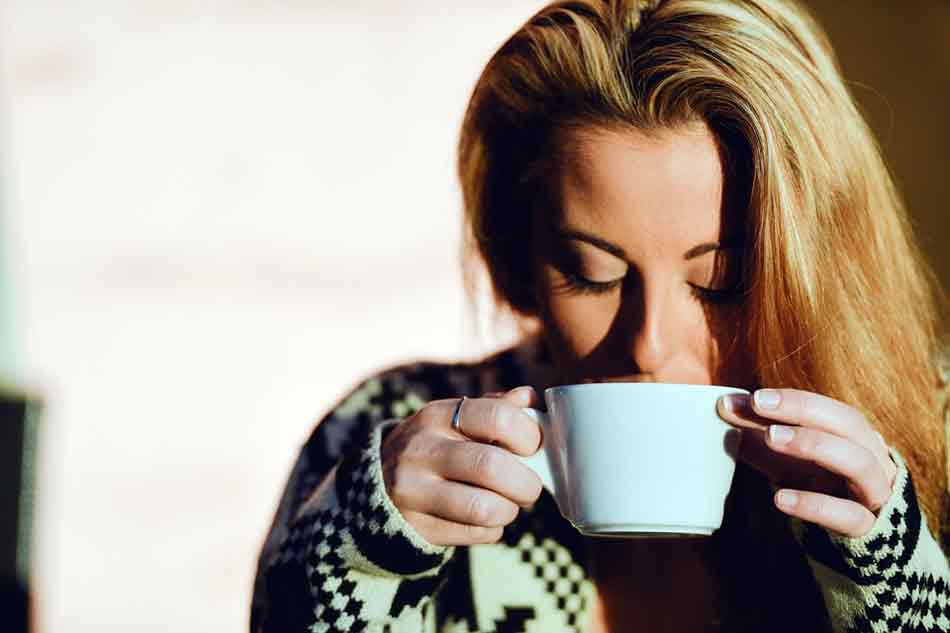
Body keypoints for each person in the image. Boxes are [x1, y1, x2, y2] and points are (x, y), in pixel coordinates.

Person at [250, 0, 950, 631]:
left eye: (720, 282)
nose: (646, 344)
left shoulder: (931, 440)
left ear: (818, 267)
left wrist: (895, 586)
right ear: (520, 255)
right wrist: (357, 565)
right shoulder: (390, 431)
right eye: (594, 274)